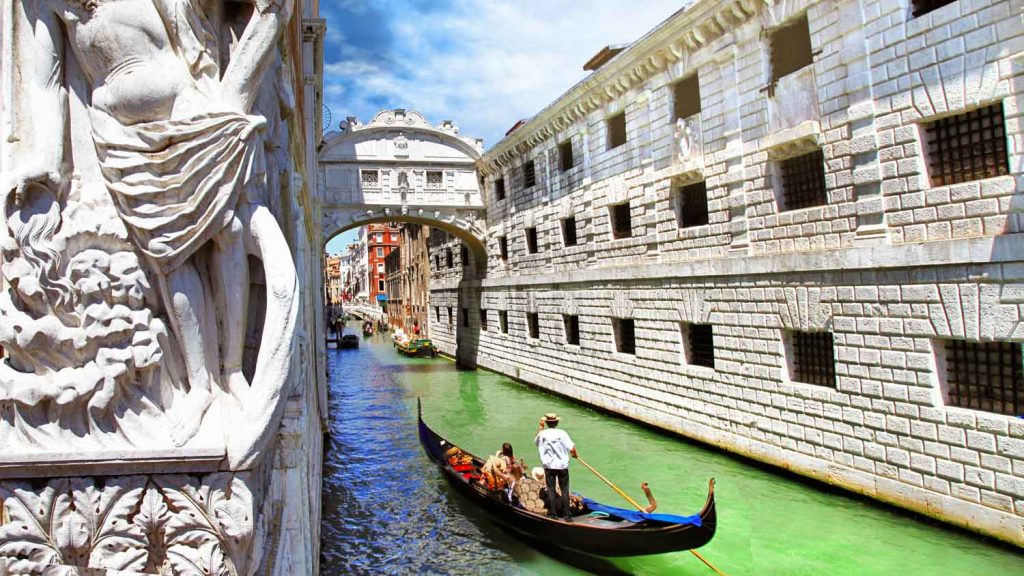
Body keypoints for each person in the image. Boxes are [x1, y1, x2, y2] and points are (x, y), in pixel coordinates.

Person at [535, 412, 577, 521]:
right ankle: (567, 516)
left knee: (551, 490)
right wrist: (575, 455)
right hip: (562, 467)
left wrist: (540, 427)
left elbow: (536, 441)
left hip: (549, 467)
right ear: (557, 422)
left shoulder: (542, 434)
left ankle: (553, 514)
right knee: (564, 490)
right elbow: (572, 448)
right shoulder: (562, 433)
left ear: (547, 423)